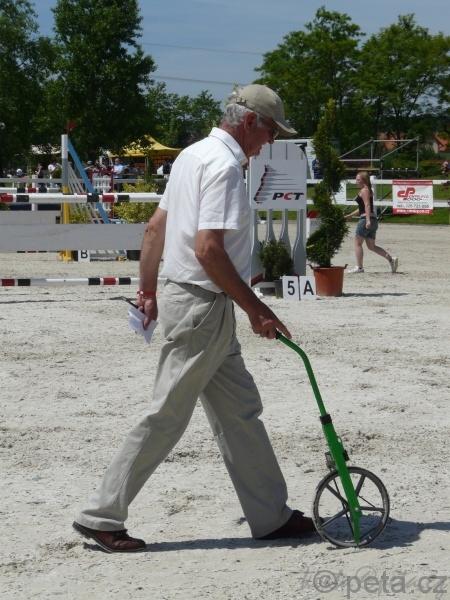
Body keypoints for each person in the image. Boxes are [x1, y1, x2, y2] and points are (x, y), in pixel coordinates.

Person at [72, 83, 317, 553]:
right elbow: (208, 250)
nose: (270, 142)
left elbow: (155, 229)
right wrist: (257, 309)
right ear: (250, 121)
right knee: (166, 413)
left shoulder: (191, 156)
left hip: (198, 304)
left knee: (240, 412)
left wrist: (147, 291)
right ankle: (100, 515)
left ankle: (271, 515)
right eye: (271, 132)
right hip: (203, 306)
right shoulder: (224, 166)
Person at [346, 171, 398, 274]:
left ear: (364, 180)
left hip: (366, 220)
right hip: (373, 220)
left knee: (357, 243)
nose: (356, 181)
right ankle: (391, 259)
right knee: (371, 246)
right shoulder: (368, 190)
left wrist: (368, 220)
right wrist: (350, 215)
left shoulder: (364, 190)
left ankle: (359, 267)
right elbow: (362, 208)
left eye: (358, 179)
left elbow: (367, 206)